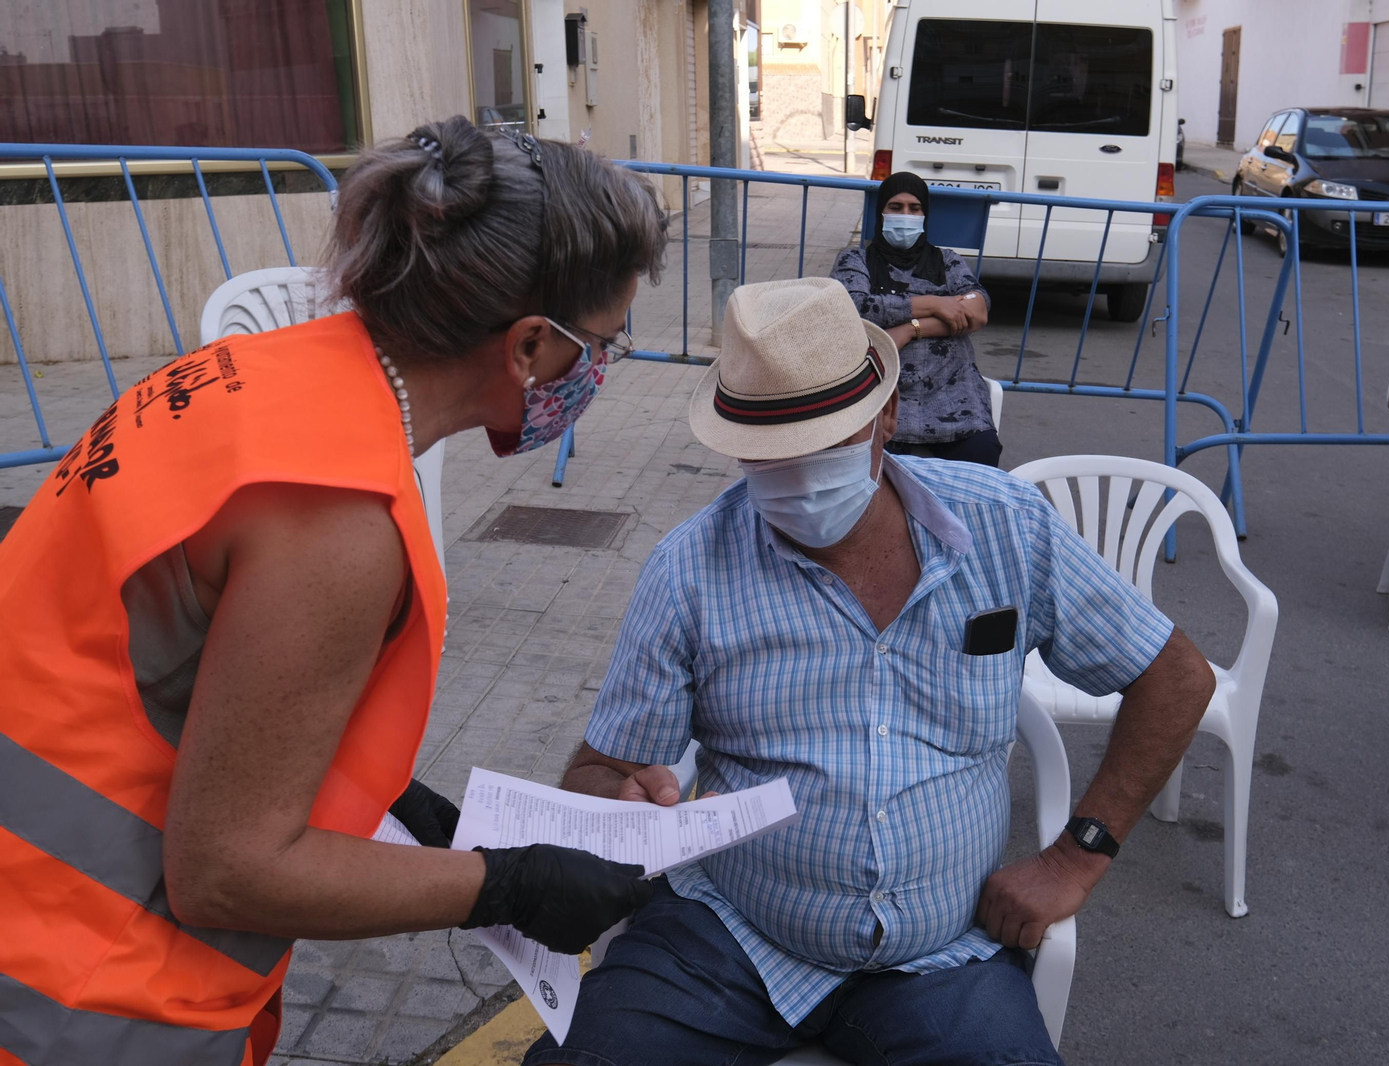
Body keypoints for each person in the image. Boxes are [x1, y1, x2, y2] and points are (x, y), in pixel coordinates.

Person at [0, 117, 666, 1065]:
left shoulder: (251, 375)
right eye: (604, 346)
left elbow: (189, 675)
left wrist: (398, 808)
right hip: (71, 992)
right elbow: (227, 875)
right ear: (527, 348)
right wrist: (501, 887)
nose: (600, 371)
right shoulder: (341, 521)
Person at [524, 277, 1216, 1066]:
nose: (799, 473)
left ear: (887, 417)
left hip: (942, 955)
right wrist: (617, 804)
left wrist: (1076, 854)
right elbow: (599, 771)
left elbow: (1175, 677)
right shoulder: (690, 567)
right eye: (771, 455)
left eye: (826, 443)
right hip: (728, 937)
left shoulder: (1005, 527)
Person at [830, 171, 1001, 466]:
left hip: (952, 390)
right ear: (880, 213)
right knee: (868, 472)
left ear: (925, 214)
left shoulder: (947, 261)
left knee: (982, 454)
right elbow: (856, 307)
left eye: (914, 208)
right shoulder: (855, 261)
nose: (905, 215)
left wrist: (910, 329)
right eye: (895, 207)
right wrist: (937, 303)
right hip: (881, 391)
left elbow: (978, 309)